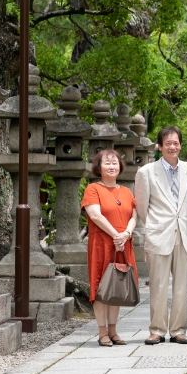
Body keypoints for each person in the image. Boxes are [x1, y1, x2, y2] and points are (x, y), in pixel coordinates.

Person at [135, 126, 187, 345]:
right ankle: (157, 330)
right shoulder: (146, 172)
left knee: (181, 286)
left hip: (184, 234)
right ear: (159, 146)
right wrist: (154, 225)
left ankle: (178, 330)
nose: (172, 147)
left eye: (176, 143)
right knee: (158, 284)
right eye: (167, 143)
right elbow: (142, 206)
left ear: (181, 145)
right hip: (159, 233)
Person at [81, 149, 138, 347]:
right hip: (102, 243)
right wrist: (116, 235)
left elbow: (134, 215)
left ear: (120, 167)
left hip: (123, 243)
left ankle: (113, 330)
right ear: (99, 167)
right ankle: (102, 332)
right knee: (101, 286)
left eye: (115, 163)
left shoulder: (127, 191)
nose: (112, 166)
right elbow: (95, 215)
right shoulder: (93, 189)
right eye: (107, 163)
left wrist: (126, 234)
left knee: (116, 286)